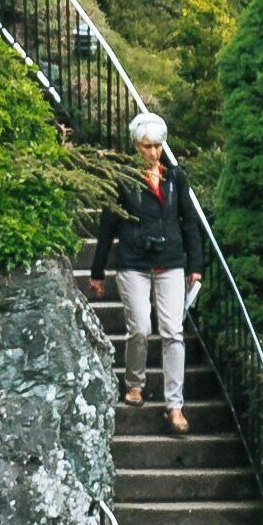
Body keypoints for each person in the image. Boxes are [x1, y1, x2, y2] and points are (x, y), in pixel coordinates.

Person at [88, 110, 205, 434]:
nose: (153, 152)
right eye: (147, 146)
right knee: (139, 326)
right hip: (134, 263)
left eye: (157, 146)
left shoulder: (175, 178)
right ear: (136, 146)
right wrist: (97, 270)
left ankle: (175, 405)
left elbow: (188, 221)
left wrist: (195, 266)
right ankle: (135, 383)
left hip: (170, 261)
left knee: (172, 331)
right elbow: (108, 224)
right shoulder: (124, 179)